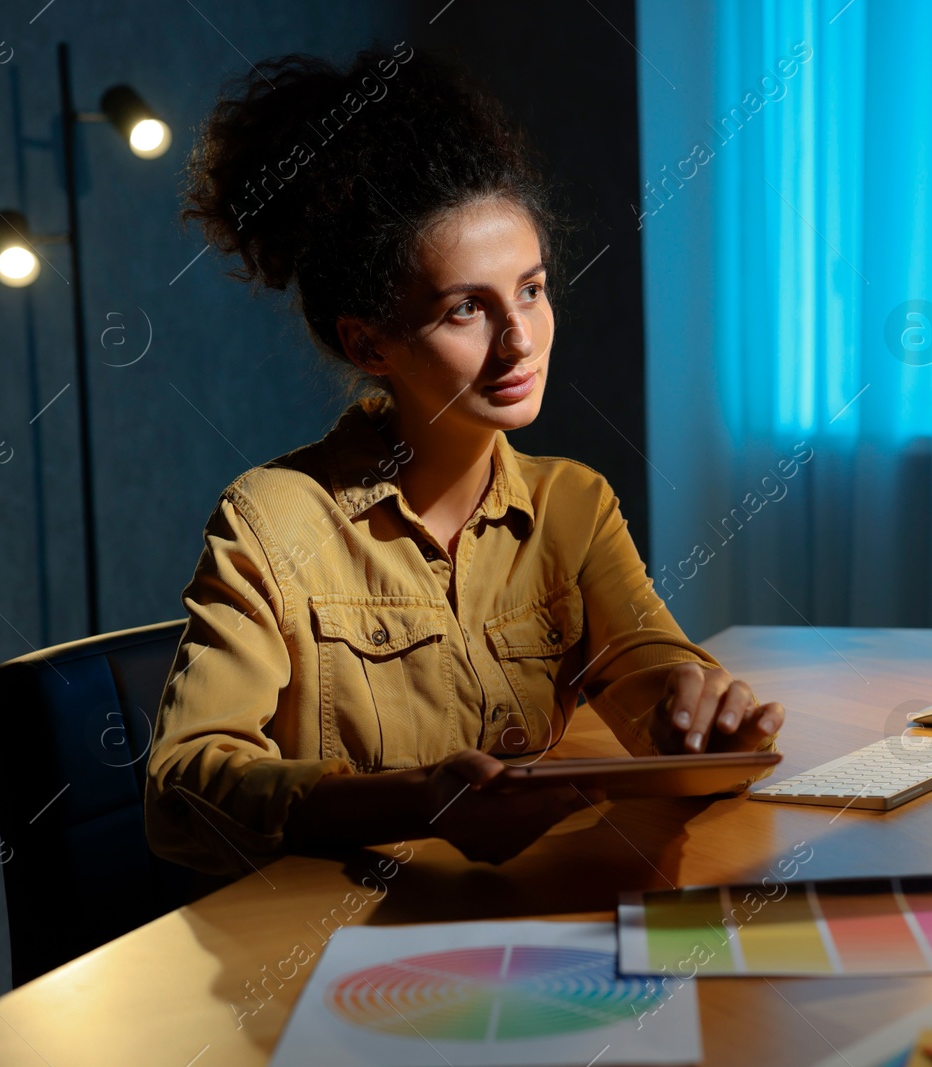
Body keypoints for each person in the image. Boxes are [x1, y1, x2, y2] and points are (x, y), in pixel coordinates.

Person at [144, 44, 784, 877]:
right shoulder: (271, 522)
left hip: (530, 922)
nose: (520, 339)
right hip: (337, 951)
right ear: (367, 340)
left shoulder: (572, 505)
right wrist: (418, 801)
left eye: (531, 288)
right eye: (464, 310)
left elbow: (645, 664)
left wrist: (698, 717)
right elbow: (185, 790)